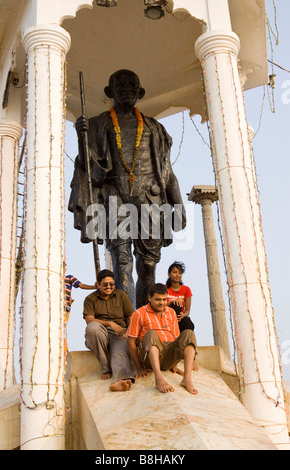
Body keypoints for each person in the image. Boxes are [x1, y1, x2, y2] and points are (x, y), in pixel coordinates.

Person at [68, 69, 186, 308]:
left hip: (150, 198)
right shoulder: (97, 124)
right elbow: (87, 168)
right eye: (120, 85)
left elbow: (167, 172)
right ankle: (128, 320)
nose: (126, 89)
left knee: (148, 264)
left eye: (132, 85)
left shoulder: (155, 129)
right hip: (115, 196)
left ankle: (146, 317)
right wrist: (83, 138)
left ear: (140, 92)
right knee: (121, 261)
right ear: (109, 91)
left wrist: (178, 205)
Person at [127, 283, 198, 395]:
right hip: (150, 357)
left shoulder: (171, 312)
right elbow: (130, 342)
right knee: (151, 333)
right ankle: (159, 379)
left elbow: (175, 338)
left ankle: (187, 379)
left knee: (189, 334)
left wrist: (173, 364)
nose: (162, 303)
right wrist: (139, 368)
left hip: (167, 357)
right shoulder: (139, 314)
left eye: (164, 299)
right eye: (158, 299)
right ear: (149, 298)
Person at [83, 269, 135, 392]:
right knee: (93, 327)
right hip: (99, 334)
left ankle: (120, 381)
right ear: (98, 284)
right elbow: (89, 320)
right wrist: (110, 323)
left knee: (119, 354)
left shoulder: (121, 295)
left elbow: (130, 316)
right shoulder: (90, 299)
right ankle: (105, 369)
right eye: (105, 284)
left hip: (119, 333)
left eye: (111, 284)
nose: (109, 287)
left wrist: (129, 331)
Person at [64, 269, 96, 353]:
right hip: (58, 307)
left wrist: (94, 287)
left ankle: (65, 349)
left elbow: (81, 285)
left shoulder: (69, 278)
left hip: (65, 308)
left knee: (62, 327)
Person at [166, 261, 195, 333]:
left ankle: (189, 341)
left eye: (180, 273)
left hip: (180, 319)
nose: (177, 275)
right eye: (175, 272)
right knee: (175, 304)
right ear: (169, 274)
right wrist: (171, 302)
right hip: (167, 319)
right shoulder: (164, 289)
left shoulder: (186, 290)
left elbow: (187, 311)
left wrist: (183, 315)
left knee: (187, 320)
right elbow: (160, 306)